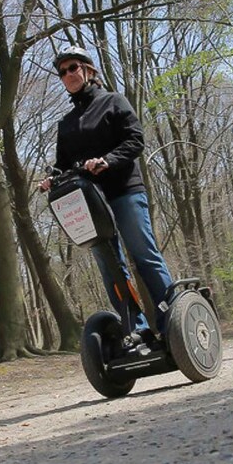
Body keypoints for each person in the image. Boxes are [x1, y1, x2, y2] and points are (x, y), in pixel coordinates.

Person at [39, 46, 174, 337]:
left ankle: (171, 320)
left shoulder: (113, 101)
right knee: (111, 266)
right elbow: (62, 164)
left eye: (72, 67)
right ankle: (136, 329)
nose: (67, 75)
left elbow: (135, 140)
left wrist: (107, 160)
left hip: (124, 190)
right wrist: (52, 178)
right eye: (62, 72)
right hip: (89, 203)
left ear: (89, 70)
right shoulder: (66, 124)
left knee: (143, 255)